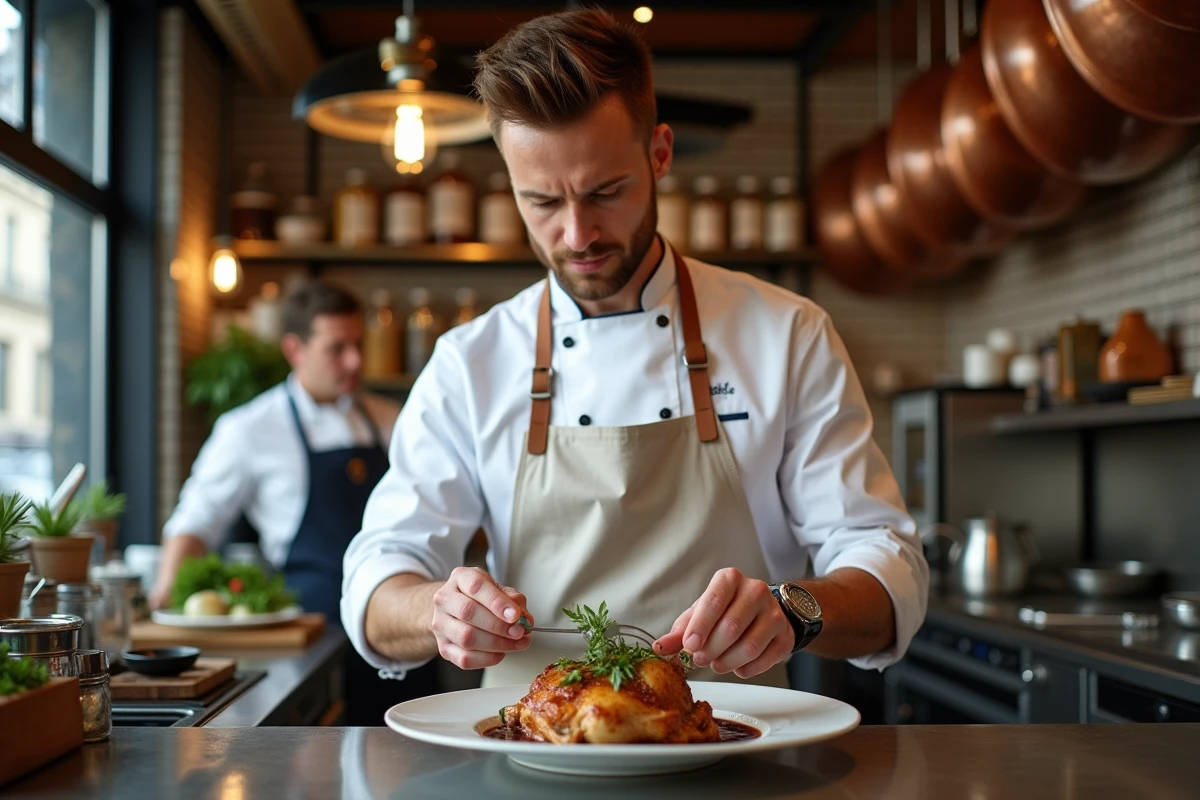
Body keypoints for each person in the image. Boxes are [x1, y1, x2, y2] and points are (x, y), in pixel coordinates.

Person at [342, 9, 928, 691]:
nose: (577, 234)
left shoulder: (786, 334)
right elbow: (377, 580)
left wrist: (795, 610)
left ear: (660, 154)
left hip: (736, 760)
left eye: (605, 192)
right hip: (532, 764)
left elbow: (892, 571)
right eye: (541, 203)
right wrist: (435, 609)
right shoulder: (469, 363)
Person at [152, 280, 439, 722]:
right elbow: (195, 521)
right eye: (337, 348)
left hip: (399, 626)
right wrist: (165, 598)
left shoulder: (388, 419)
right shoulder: (249, 428)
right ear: (294, 349)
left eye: (359, 345)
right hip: (314, 638)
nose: (356, 361)